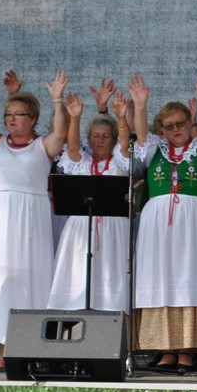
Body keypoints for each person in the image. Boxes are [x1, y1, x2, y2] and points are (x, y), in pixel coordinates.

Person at [0, 69, 68, 370]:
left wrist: (57, 99)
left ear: (32, 119)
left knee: (30, 279)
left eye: (18, 114)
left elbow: (60, 134)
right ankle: (5, 348)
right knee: (2, 279)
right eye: (8, 114)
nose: (11, 119)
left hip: (31, 217)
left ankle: (32, 347)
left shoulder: (42, 145)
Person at [130, 71, 197, 371]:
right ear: (162, 129)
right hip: (158, 225)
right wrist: (140, 106)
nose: (176, 129)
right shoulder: (155, 150)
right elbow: (141, 135)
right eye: (169, 126)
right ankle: (167, 348)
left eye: (181, 123)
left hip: (194, 223)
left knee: (190, 277)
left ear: (190, 123)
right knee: (162, 278)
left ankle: (188, 349)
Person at [46, 83, 132, 312]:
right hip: (81, 228)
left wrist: (121, 118)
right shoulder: (81, 162)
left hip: (114, 228)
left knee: (111, 276)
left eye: (106, 136)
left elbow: (125, 143)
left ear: (113, 139)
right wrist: (75, 118)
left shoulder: (119, 161)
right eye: (95, 136)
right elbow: (73, 149)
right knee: (79, 275)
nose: (100, 140)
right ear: (89, 139)